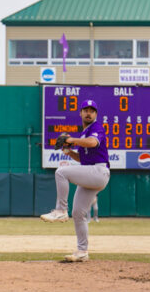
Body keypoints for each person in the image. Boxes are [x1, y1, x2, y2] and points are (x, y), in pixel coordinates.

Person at [41, 99, 110, 262]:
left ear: (96, 114)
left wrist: (72, 140)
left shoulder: (96, 127)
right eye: (85, 110)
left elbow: (93, 143)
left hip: (99, 171)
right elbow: (83, 159)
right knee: (78, 213)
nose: (88, 113)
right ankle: (82, 251)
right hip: (92, 172)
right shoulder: (84, 134)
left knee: (61, 172)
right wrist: (69, 151)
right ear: (80, 113)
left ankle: (60, 210)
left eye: (92, 110)